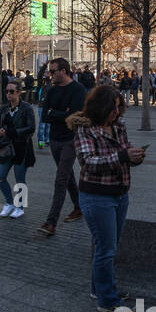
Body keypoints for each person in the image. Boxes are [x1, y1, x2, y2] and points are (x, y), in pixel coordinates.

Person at [68, 83, 145, 310]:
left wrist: (135, 156)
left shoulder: (118, 126)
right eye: (113, 108)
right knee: (106, 249)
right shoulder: (85, 129)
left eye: (119, 108)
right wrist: (122, 156)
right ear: (100, 107)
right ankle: (108, 300)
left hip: (120, 194)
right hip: (96, 196)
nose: (116, 112)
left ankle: (99, 289)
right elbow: (88, 161)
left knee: (107, 246)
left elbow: (124, 150)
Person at [34, 60, 88, 235]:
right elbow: (44, 115)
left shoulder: (78, 90)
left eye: (53, 71)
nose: (50, 74)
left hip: (70, 139)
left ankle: (51, 223)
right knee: (67, 174)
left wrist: (55, 114)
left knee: (61, 178)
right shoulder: (52, 89)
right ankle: (79, 206)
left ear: (63, 71)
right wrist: (62, 114)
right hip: (55, 138)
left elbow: (75, 116)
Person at [0, 82, 36, 217]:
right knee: (0, 177)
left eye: (12, 91)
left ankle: (20, 207)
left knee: (20, 179)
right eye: (7, 91)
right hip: (6, 147)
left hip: (21, 147)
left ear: (19, 92)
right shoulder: (3, 108)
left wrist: (12, 132)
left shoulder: (27, 108)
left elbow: (31, 128)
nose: (8, 94)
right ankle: (9, 203)